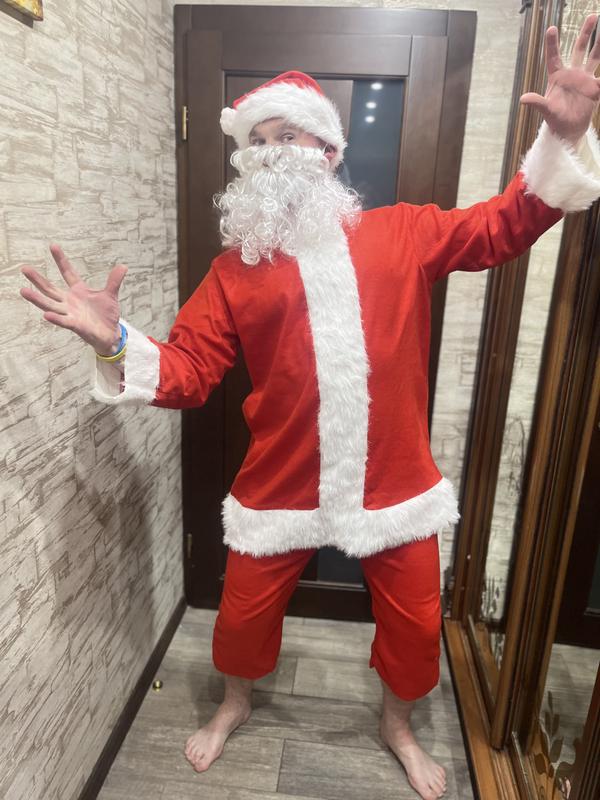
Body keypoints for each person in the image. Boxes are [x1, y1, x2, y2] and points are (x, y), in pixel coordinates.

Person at [19, 17, 600, 800]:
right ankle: (235, 701)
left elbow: (502, 227)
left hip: (395, 483)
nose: (272, 150)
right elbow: (189, 373)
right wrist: (115, 341)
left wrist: (562, 139)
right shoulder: (234, 271)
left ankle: (397, 725)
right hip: (280, 481)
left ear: (328, 152)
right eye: (259, 139)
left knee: (416, 624)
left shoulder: (404, 232)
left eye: (290, 135)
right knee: (241, 617)